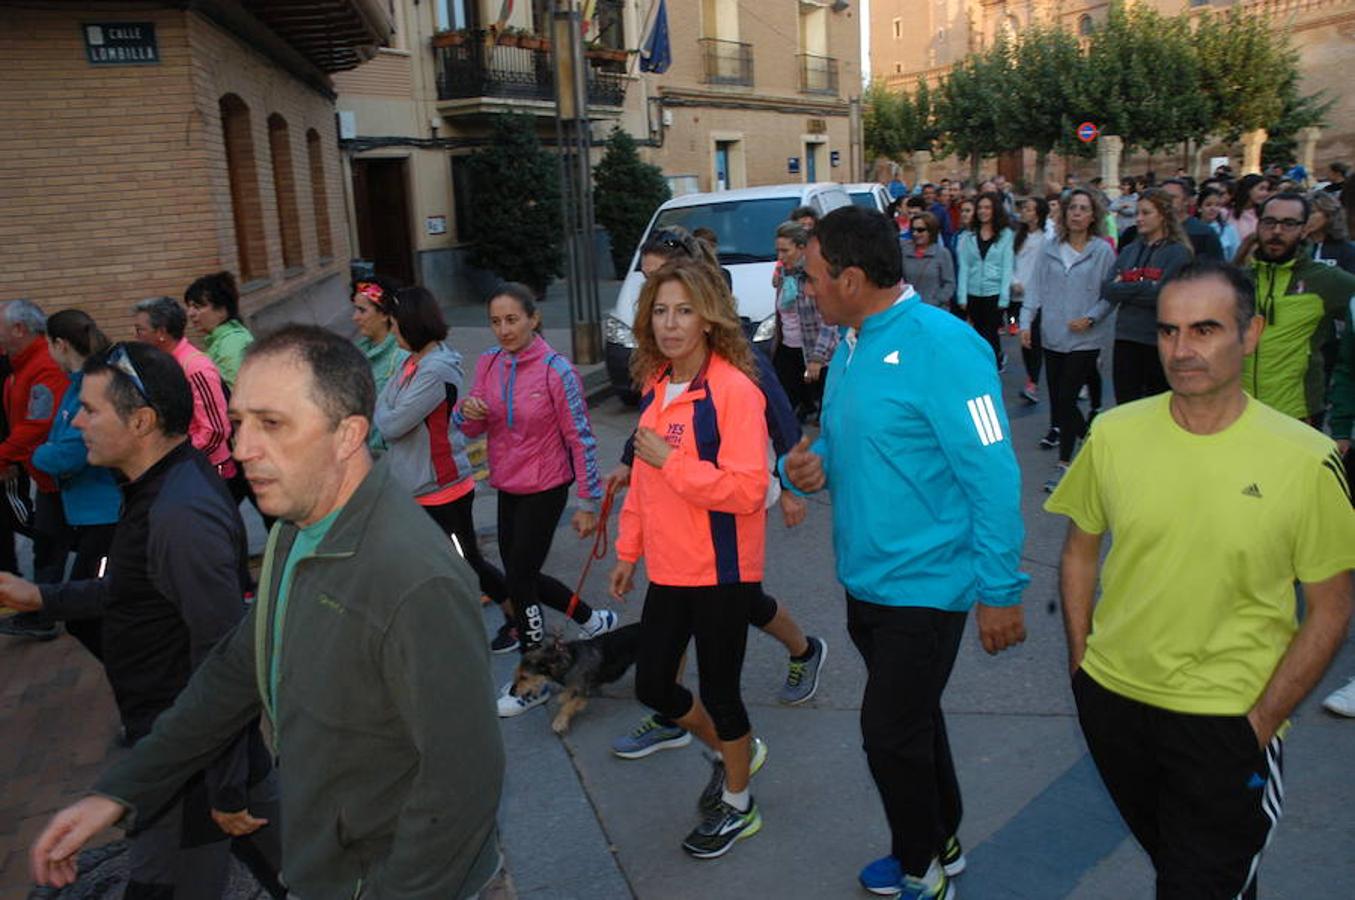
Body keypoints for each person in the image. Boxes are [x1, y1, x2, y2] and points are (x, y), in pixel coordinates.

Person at [26, 326, 505, 899]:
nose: (241, 448)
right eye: (239, 422)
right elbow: (231, 672)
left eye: (271, 424)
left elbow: (462, 784)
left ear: (348, 435)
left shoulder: (414, 578)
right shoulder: (295, 528)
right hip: (325, 868)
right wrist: (120, 791)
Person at [1047, 259, 1355, 899]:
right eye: (1168, 331)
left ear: (1251, 334)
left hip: (1226, 722)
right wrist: (1082, 669)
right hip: (1114, 707)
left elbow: (1331, 607)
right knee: (1192, 871)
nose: (1181, 350)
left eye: (1205, 329)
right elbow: (1079, 551)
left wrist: (1259, 725)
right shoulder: (1114, 433)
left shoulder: (1306, 459)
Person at [783, 206, 1028, 900]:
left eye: (813, 277)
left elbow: (993, 474)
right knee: (914, 721)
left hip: (928, 587)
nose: (807, 288)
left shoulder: (946, 347)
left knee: (887, 733)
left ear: (851, 280)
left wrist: (1000, 591)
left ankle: (922, 869)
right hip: (866, 580)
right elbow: (846, 444)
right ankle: (939, 838)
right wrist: (807, 469)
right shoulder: (853, 343)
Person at [6, 341, 283, 899]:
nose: (75, 421)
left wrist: (225, 787)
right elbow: (136, 590)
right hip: (185, 751)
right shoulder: (155, 488)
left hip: (191, 762)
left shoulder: (180, 515)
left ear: (141, 421)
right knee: (296, 870)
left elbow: (224, 658)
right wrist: (41, 597)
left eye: (89, 409)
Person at [607, 230, 827, 758]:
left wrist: (789, 487)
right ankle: (681, 714)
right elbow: (654, 432)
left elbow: (779, 419)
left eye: (677, 303)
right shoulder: (661, 373)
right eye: (652, 293)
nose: (663, 313)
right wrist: (631, 469)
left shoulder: (736, 364)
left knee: (741, 606)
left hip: (726, 521)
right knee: (689, 627)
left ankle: (800, 653)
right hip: (682, 534)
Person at [609, 257, 771, 860]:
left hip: (722, 571)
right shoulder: (658, 387)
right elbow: (643, 485)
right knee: (654, 684)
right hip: (670, 568)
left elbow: (749, 490)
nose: (671, 323)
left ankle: (739, 804)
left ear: (708, 319)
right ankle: (736, 752)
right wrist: (628, 551)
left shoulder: (734, 392)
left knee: (723, 694)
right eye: (660, 311)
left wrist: (671, 462)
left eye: (684, 311)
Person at [454, 286, 617, 717]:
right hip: (508, 484)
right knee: (518, 573)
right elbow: (470, 427)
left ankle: (534, 679)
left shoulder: (557, 371)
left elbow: (581, 439)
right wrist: (466, 413)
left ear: (533, 319)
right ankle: (592, 619)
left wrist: (588, 502)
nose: (503, 329)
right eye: (495, 322)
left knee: (520, 579)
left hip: (547, 486)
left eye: (512, 320)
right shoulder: (489, 362)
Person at [374, 285, 516, 652]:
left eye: (395, 323)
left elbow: (390, 423)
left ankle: (516, 618)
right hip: (416, 485)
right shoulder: (410, 363)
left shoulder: (435, 371)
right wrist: (386, 410)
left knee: (467, 563)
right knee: (434, 564)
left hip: (442, 488)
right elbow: (383, 406)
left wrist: (386, 410)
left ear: (412, 323)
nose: (391, 330)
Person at [29, 310, 120, 661]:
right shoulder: (76, 384)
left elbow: (68, 452)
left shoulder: (90, 385)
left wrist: (39, 454)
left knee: (87, 615)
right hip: (92, 516)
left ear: (60, 344)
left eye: (48, 345)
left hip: (107, 517)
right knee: (93, 612)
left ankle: (141, 678)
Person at [1018, 188, 1117, 492]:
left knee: (1066, 397)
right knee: (1059, 399)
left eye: (1083, 208)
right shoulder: (1050, 248)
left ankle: (1064, 464)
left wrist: (1091, 318)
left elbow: (1111, 294)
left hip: (1085, 337)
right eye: (1072, 207)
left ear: (1093, 216)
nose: (1077, 213)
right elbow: (1035, 288)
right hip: (1052, 334)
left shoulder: (1102, 251)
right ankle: (1090, 438)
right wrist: (1025, 321)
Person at [1243, 192, 1355, 424]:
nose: (1276, 231)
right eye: (1269, 222)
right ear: (1258, 225)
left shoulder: (1325, 280)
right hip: (1238, 410)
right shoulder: (1237, 280)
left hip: (1298, 414)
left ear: (1304, 230)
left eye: (1289, 224)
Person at [0, 299, 69, 641]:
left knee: (59, 540)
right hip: (46, 475)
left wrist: (4, 456)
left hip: (60, 474)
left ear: (18, 329)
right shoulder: (22, 364)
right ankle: (42, 614)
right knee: (48, 541)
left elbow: (37, 424)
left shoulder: (43, 366)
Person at [1107, 188, 1195, 404]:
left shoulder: (1178, 253)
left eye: (1146, 213)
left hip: (1158, 341)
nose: (1138, 218)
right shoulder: (1129, 251)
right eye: (1137, 212)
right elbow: (1108, 289)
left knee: (1158, 405)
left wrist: (1127, 286)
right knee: (1126, 405)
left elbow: (1164, 295)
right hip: (1126, 337)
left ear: (1163, 215)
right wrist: (1146, 286)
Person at [131, 296, 234, 479]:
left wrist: (175, 458)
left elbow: (215, 430)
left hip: (207, 470)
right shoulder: (163, 364)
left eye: (140, 330)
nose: (136, 336)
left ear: (161, 332)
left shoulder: (195, 367)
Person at [771, 220, 837, 421]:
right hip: (787, 347)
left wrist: (818, 357)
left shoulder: (814, 275)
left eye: (785, 251)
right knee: (785, 402)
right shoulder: (785, 273)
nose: (780, 257)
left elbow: (830, 320)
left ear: (801, 248)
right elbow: (782, 313)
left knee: (824, 410)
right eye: (778, 251)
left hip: (813, 350)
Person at [350, 276, 410, 451]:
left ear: (384, 314)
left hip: (387, 458)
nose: (355, 317)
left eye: (362, 310)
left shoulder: (402, 359)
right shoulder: (353, 355)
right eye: (355, 309)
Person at [955, 191, 1015, 366]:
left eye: (987, 207)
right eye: (980, 207)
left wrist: (1004, 297)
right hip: (973, 292)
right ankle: (982, 365)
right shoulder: (969, 235)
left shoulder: (1006, 235)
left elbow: (1007, 267)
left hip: (994, 292)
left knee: (991, 333)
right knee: (978, 333)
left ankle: (994, 363)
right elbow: (964, 266)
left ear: (995, 210)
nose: (983, 211)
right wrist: (962, 296)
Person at [184, 272, 254, 391]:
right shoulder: (221, 340)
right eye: (189, 307)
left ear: (222, 310)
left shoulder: (232, 344)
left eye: (197, 307)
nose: (190, 313)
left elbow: (236, 394)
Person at [1013, 197, 1049, 404]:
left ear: (1038, 213)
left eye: (1028, 209)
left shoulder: (1046, 237)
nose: (1024, 212)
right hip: (1017, 294)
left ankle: (1033, 382)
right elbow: (1010, 262)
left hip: (1038, 297)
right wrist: (1014, 280)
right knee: (1022, 336)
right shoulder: (1018, 236)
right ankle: (1031, 377)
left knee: (1034, 338)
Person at [900, 212, 956, 310]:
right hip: (910, 307)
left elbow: (949, 284)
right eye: (913, 230)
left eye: (920, 230)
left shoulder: (942, 253)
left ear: (931, 231)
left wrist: (936, 301)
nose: (915, 234)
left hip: (935, 309)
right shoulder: (904, 251)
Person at [1305, 189, 1355, 273]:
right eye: (1304, 213)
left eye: (1312, 212)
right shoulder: (1297, 248)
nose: (1307, 217)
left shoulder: (1346, 250)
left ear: (1329, 214)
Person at [1197, 184, 1241, 263]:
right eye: (1208, 205)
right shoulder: (1192, 228)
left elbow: (1235, 256)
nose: (1213, 209)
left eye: (1217, 205)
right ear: (1199, 208)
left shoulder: (1229, 230)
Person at [1234, 174, 1273, 243]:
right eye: (1261, 189)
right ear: (1248, 189)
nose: (1266, 193)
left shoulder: (1264, 213)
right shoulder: (1226, 212)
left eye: (1267, 189)